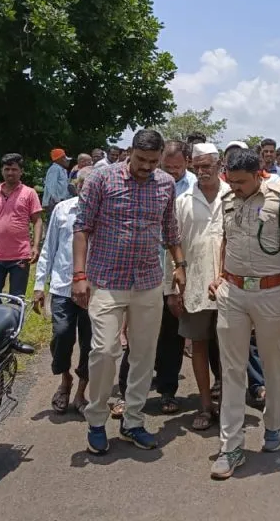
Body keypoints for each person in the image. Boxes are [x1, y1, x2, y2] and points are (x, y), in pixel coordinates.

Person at [72, 129, 187, 456]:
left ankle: (133, 420)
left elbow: (171, 230)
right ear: (129, 153)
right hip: (106, 281)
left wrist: (180, 265)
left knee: (143, 355)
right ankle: (96, 419)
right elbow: (82, 228)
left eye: (153, 161)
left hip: (148, 281)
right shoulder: (101, 179)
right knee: (105, 351)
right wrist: (78, 275)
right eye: (141, 160)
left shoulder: (166, 183)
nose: (147, 167)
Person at [208, 149, 280, 480]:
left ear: (258, 174)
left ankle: (274, 427)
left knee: (272, 363)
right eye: (230, 181)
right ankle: (230, 446)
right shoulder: (227, 199)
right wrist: (220, 277)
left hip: (270, 292)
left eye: (240, 182)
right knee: (232, 369)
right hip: (233, 293)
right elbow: (226, 239)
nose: (233, 187)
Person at [117, 141, 194, 414]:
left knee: (172, 336)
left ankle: (168, 391)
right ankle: (125, 393)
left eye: (177, 167)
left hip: (176, 269)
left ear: (188, 162)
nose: (171, 172)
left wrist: (179, 270)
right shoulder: (151, 182)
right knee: (139, 335)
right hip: (145, 271)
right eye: (167, 166)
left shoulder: (195, 187)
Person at [166, 143, 228, 431]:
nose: (202, 171)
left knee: (231, 349)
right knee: (199, 346)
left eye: (208, 166)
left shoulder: (234, 195)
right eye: (198, 166)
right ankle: (205, 405)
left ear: (220, 165)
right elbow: (172, 246)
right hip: (194, 287)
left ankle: (229, 404)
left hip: (231, 286)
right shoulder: (183, 201)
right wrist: (171, 289)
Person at [33, 194, 91, 415]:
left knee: (91, 343)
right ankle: (65, 379)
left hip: (93, 289)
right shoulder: (63, 209)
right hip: (62, 286)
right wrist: (40, 285)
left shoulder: (106, 209)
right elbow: (49, 247)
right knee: (62, 333)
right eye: (86, 186)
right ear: (78, 187)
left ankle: (81, 393)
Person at [0, 153, 43, 298]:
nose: (10, 173)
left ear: (21, 171)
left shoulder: (29, 193)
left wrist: (36, 246)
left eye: (14, 169)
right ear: (2, 171)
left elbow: (37, 221)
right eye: (7, 169)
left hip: (20, 255)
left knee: (17, 299)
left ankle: (14, 321)